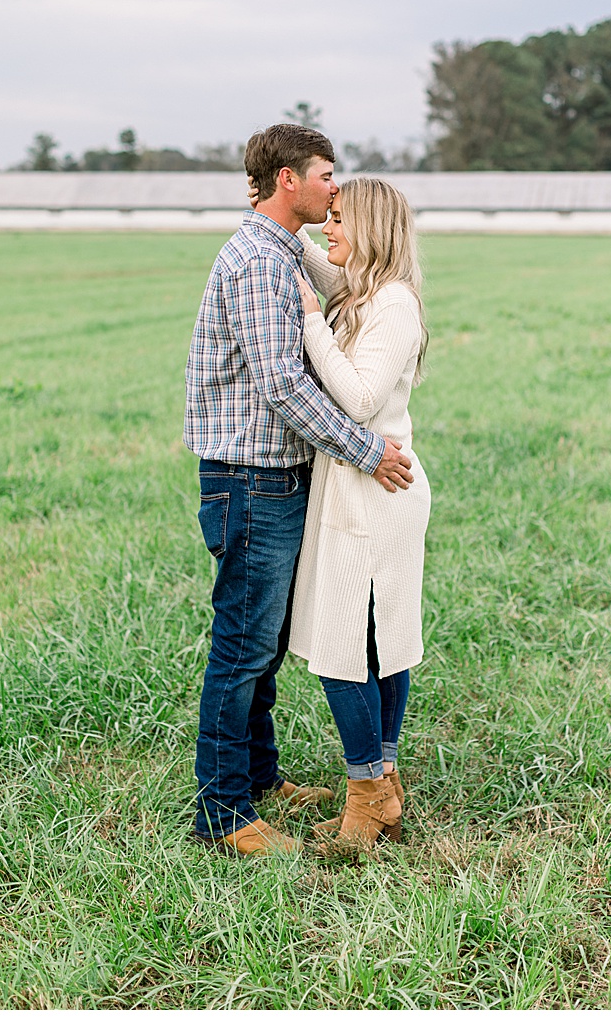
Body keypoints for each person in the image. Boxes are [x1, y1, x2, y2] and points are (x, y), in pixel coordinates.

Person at [181, 123, 413, 855]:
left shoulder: (283, 252)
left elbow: (364, 285)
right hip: (250, 480)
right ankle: (223, 814)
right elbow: (281, 384)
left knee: (266, 643)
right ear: (289, 180)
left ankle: (257, 777)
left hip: (276, 478)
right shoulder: (258, 261)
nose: (335, 188)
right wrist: (365, 450)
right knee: (243, 649)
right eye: (326, 176)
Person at [287, 177, 430, 850]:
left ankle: (369, 795)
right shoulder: (361, 291)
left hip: (378, 492)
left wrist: (312, 323)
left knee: (350, 649)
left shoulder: (391, 304)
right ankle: (383, 789)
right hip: (364, 488)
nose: (328, 230)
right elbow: (299, 247)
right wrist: (284, 209)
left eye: (341, 220)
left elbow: (362, 400)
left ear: (371, 229)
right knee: (374, 641)